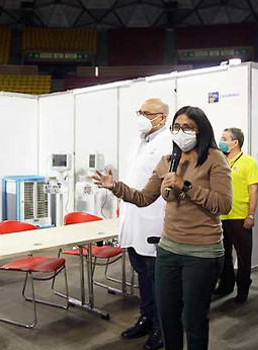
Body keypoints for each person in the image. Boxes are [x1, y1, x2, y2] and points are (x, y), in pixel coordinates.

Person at [93, 106, 232, 350]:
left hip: (201, 253)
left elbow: (224, 204)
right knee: (168, 318)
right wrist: (115, 186)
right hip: (168, 251)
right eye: (176, 127)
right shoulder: (168, 161)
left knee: (194, 320)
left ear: (201, 130)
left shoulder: (214, 158)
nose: (181, 132)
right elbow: (143, 197)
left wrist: (186, 186)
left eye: (187, 127)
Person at [119, 98, 171, 350]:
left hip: (154, 223)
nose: (140, 116)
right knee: (142, 276)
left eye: (146, 113)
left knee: (158, 281)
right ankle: (147, 318)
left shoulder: (169, 144)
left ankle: (163, 329)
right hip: (133, 220)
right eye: (139, 111)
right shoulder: (139, 143)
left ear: (161, 117)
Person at [213, 127, 258, 303]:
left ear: (235, 142)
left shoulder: (249, 163)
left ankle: (242, 291)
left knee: (243, 257)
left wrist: (251, 215)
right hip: (221, 216)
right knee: (223, 255)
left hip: (240, 217)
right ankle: (225, 285)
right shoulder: (220, 161)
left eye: (225, 138)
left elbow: (254, 190)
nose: (221, 141)